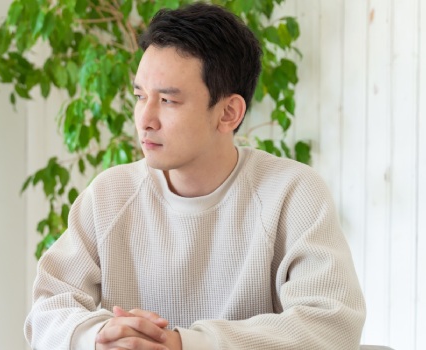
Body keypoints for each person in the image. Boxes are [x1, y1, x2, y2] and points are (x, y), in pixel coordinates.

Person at [24, 3, 366, 350]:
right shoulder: (109, 196)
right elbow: (46, 312)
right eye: (140, 96)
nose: (145, 119)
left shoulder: (293, 193)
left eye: (168, 101)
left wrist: (184, 343)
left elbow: (332, 324)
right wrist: (98, 338)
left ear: (229, 112)